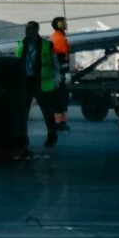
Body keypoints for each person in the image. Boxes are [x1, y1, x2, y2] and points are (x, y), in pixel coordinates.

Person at [35, 17, 74, 145]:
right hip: (59, 75)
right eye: (65, 22)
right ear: (60, 24)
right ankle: (58, 124)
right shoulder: (60, 40)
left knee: (58, 100)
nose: (67, 24)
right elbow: (61, 60)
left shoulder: (55, 37)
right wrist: (65, 75)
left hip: (54, 75)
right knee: (60, 99)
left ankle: (59, 124)